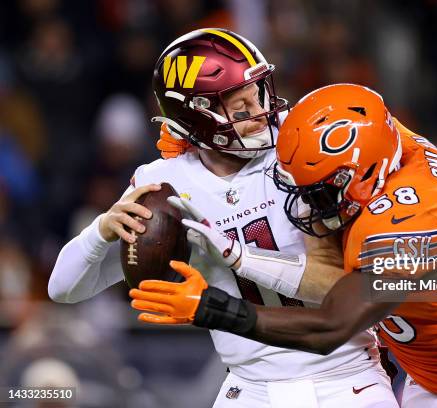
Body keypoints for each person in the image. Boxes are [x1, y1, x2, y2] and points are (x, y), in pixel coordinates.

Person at [131, 84, 437, 407]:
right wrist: (202, 134)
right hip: (429, 381)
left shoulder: (410, 222)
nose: (304, 203)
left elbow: (329, 326)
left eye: (321, 190)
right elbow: (342, 121)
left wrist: (209, 309)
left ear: (364, 177)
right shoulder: (385, 143)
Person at [49, 31, 398, 407]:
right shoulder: (164, 185)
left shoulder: (304, 149)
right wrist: (101, 231)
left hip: (344, 376)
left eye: (260, 94)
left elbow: (344, 288)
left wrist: (235, 255)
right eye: (243, 107)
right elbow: (63, 289)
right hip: (249, 387)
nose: (263, 114)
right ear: (196, 115)